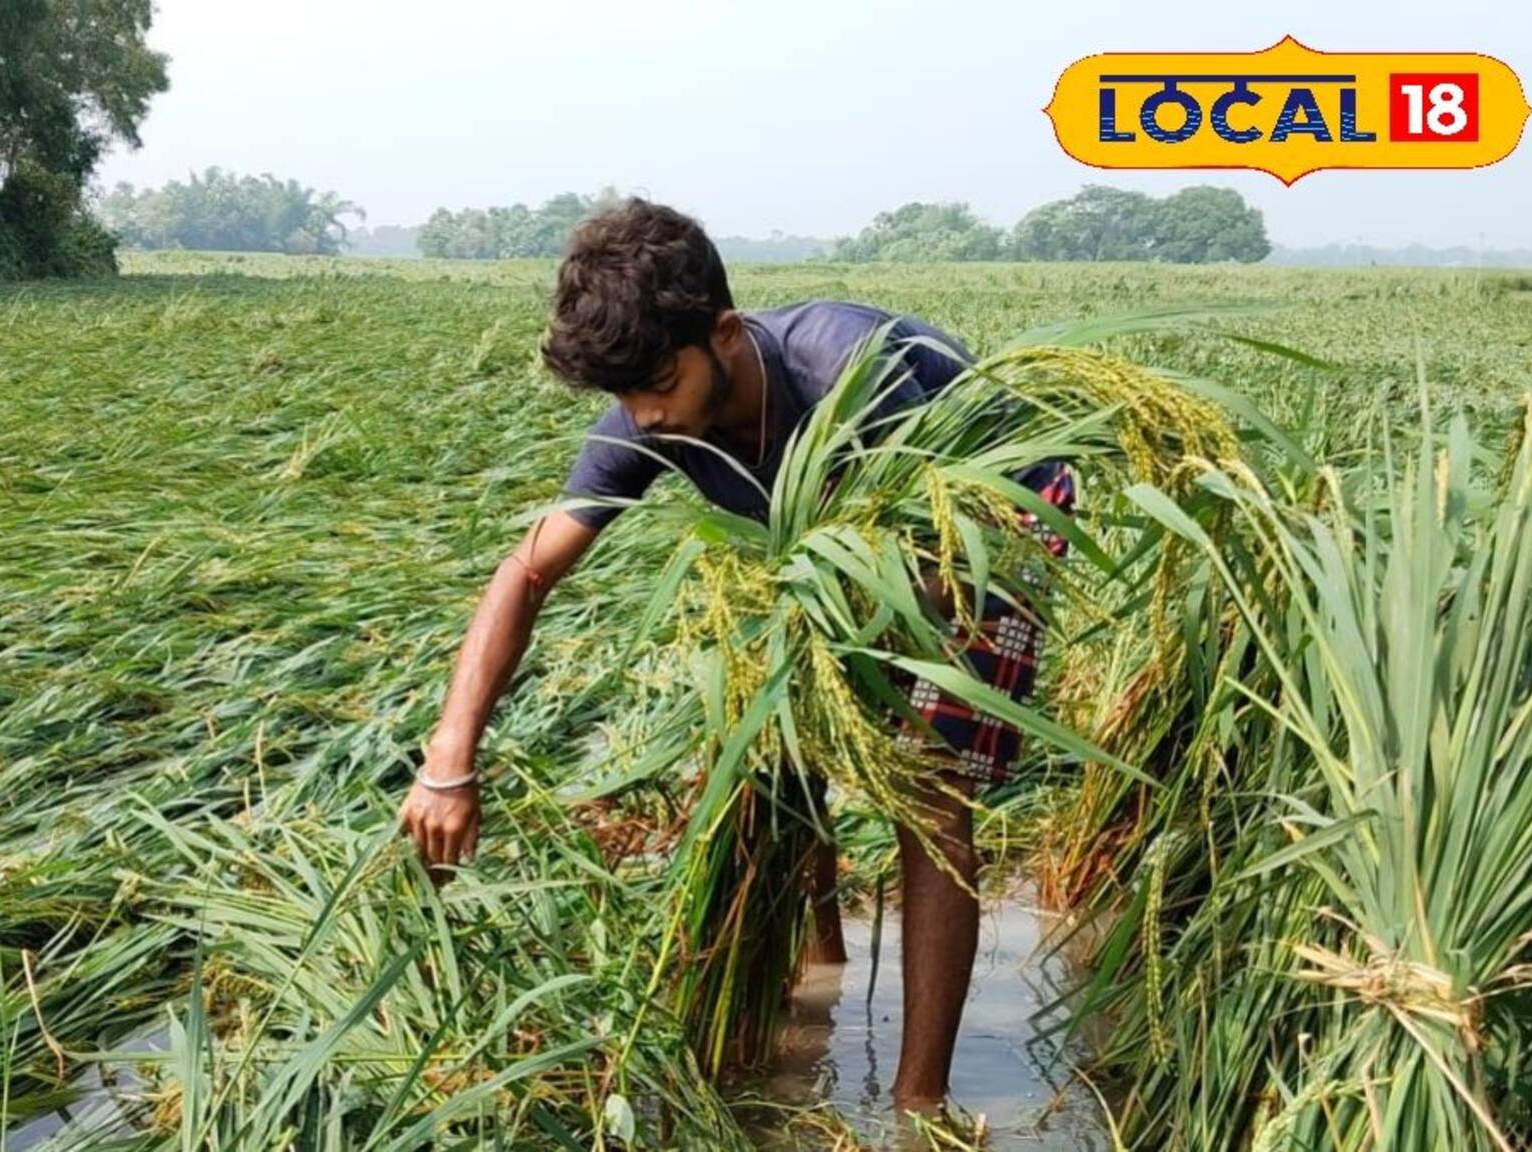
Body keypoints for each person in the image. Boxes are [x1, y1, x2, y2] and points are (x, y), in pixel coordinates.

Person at [394, 197, 1074, 1117]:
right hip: (841, 557)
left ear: (720, 333)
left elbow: (942, 568)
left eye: (658, 384)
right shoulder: (652, 412)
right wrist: (447, 758)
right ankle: (821, 962)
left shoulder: (848, 371)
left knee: (926, 778)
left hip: (994, 521)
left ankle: (921, 1106)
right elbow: (527, 571)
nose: (645, 416)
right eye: (623, 398)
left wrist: (841, 681)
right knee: (775, 732)